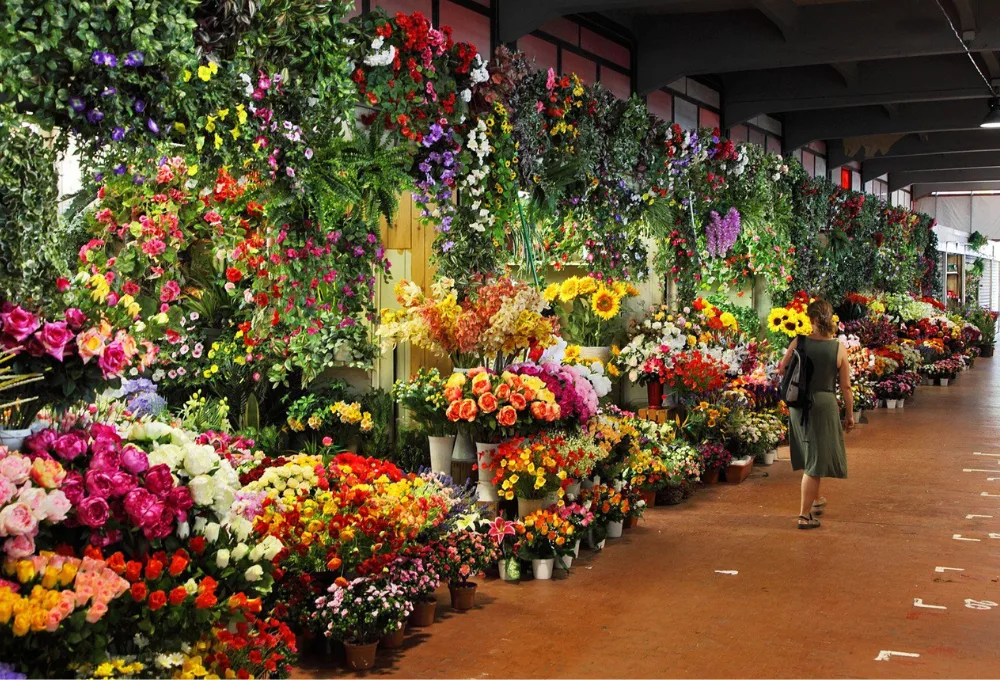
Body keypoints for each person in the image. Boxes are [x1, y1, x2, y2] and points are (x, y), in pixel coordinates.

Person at [777, 299, 853, 530]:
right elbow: (846, 386)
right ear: (831, 319)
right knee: (816, 460)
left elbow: (782, 368)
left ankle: (816, 499)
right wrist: (849, 415)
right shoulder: (837, 348)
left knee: (812, 451)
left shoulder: (799, 341)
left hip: (797, 403)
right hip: (823, 403)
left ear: (810, 319)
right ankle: (804, 515)